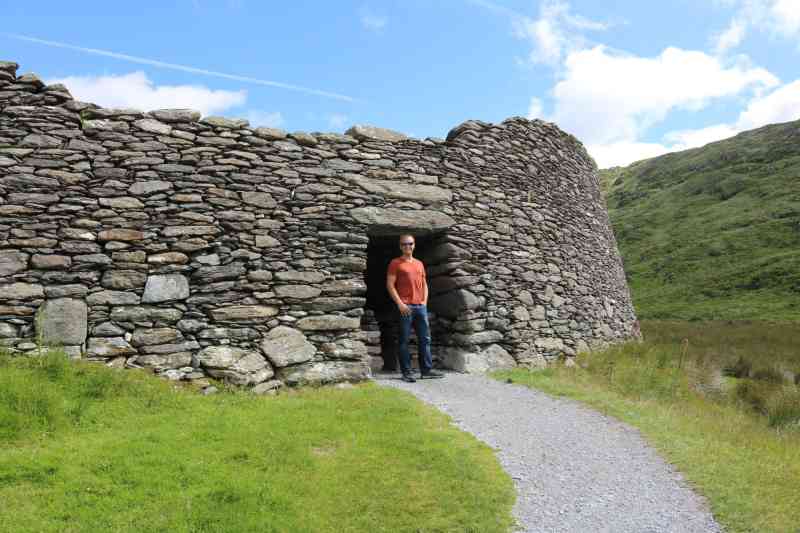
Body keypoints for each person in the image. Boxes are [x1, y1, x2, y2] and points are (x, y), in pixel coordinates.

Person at [386, 234, 445, 383]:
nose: (408, 246)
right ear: (400, 246)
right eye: (404, 244)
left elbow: (424, 283)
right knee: (404, 340)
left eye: (410, 244)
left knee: (425, 339)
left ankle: (426, 370)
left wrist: (424, 301)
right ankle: (407, 373)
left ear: (414, 245)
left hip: (420, 306)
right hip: (405, 307)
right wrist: (400, 304)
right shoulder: (395, 263)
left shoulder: (419, 263)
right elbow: (390, 285)